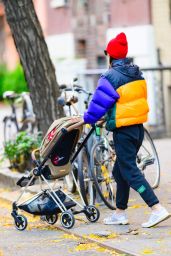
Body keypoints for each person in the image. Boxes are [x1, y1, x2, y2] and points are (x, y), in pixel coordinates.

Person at [83, 32, 170, 228]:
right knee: (119, 170)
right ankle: (120, 213)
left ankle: (156, 208)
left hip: (123, 131)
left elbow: (98, 104)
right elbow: (127, 101)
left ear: (111, 56)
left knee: (129, 170)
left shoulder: (110, 77)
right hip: (138, 129)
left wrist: (88, 118)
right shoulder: (137, 73)